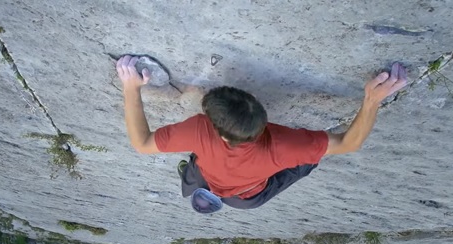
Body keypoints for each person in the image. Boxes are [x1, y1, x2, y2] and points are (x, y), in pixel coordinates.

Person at [115, 55, 407, 213]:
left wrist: (130, 87)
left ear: (218, 131)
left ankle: (195, 179)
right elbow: (348, 143)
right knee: (306, 162)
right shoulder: (284, 145)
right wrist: (371, 99)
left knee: (191, 179)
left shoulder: (199, 130)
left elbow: (142, 143)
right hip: (249, 195)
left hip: (217, 183)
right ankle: (199, 179)